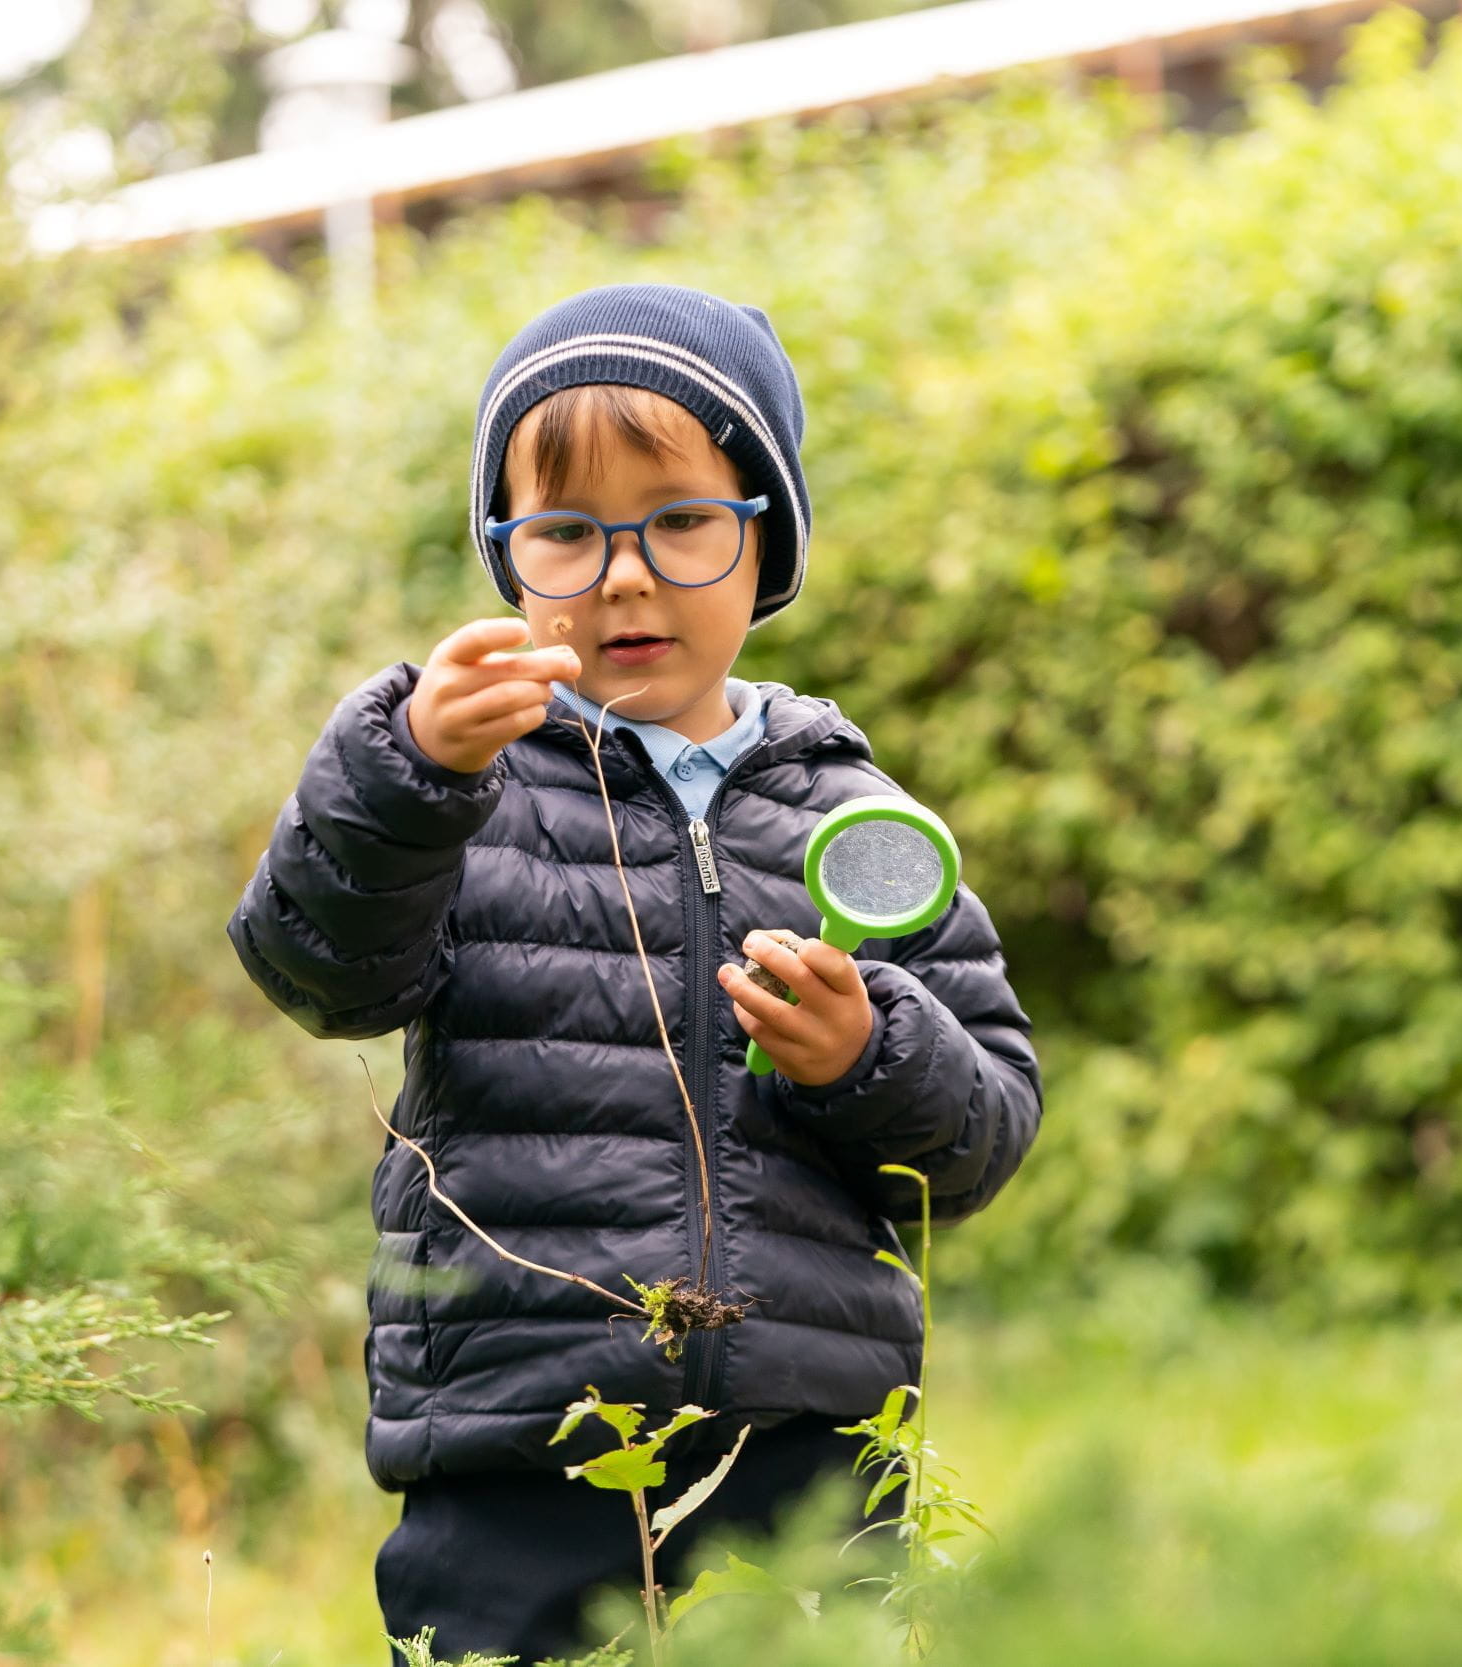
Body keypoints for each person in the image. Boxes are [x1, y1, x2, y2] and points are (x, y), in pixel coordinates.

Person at [226, 282, 1041, 1663]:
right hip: (518, 1445)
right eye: (565, 533)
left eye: (677, 522)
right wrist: (408, 771)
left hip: (807, 1447)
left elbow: (981, 1138)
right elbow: (326, 974)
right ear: (510, 558)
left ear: (760, 539)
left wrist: (868, 1054)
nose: (624, 575)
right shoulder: (464, 783)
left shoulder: (857, 821)